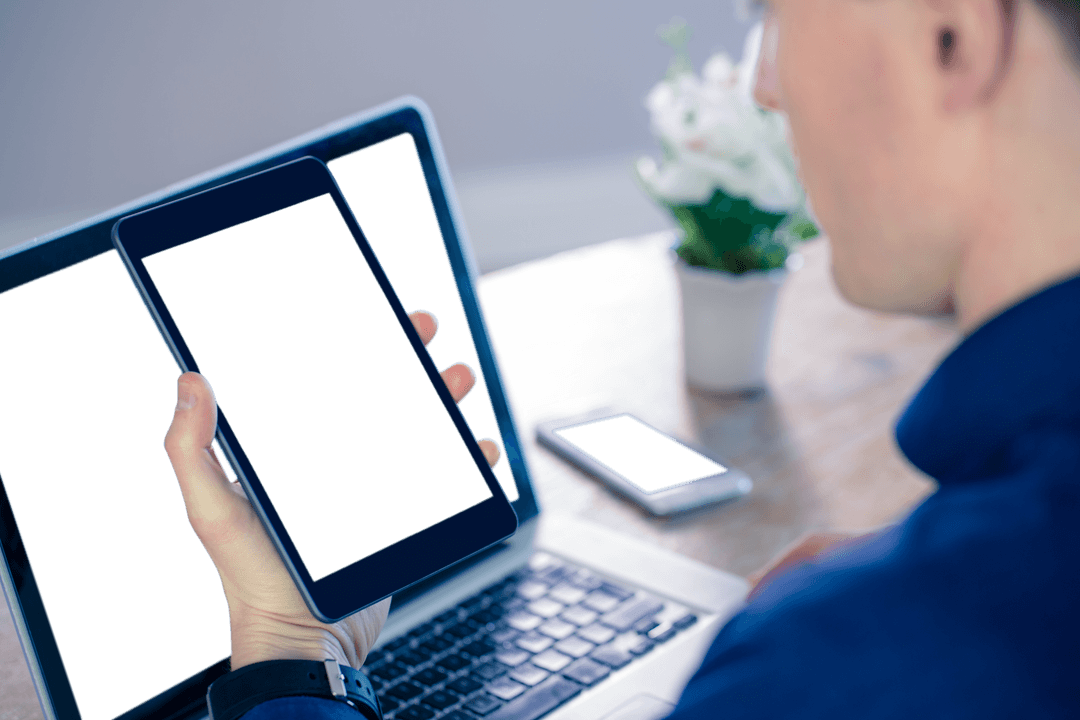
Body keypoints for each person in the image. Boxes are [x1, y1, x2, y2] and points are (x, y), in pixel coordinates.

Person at [164, 0, 1080, 716]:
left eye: (775, 10)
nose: (767, 84)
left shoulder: (852, 660)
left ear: (954, 37)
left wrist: (288, 646)